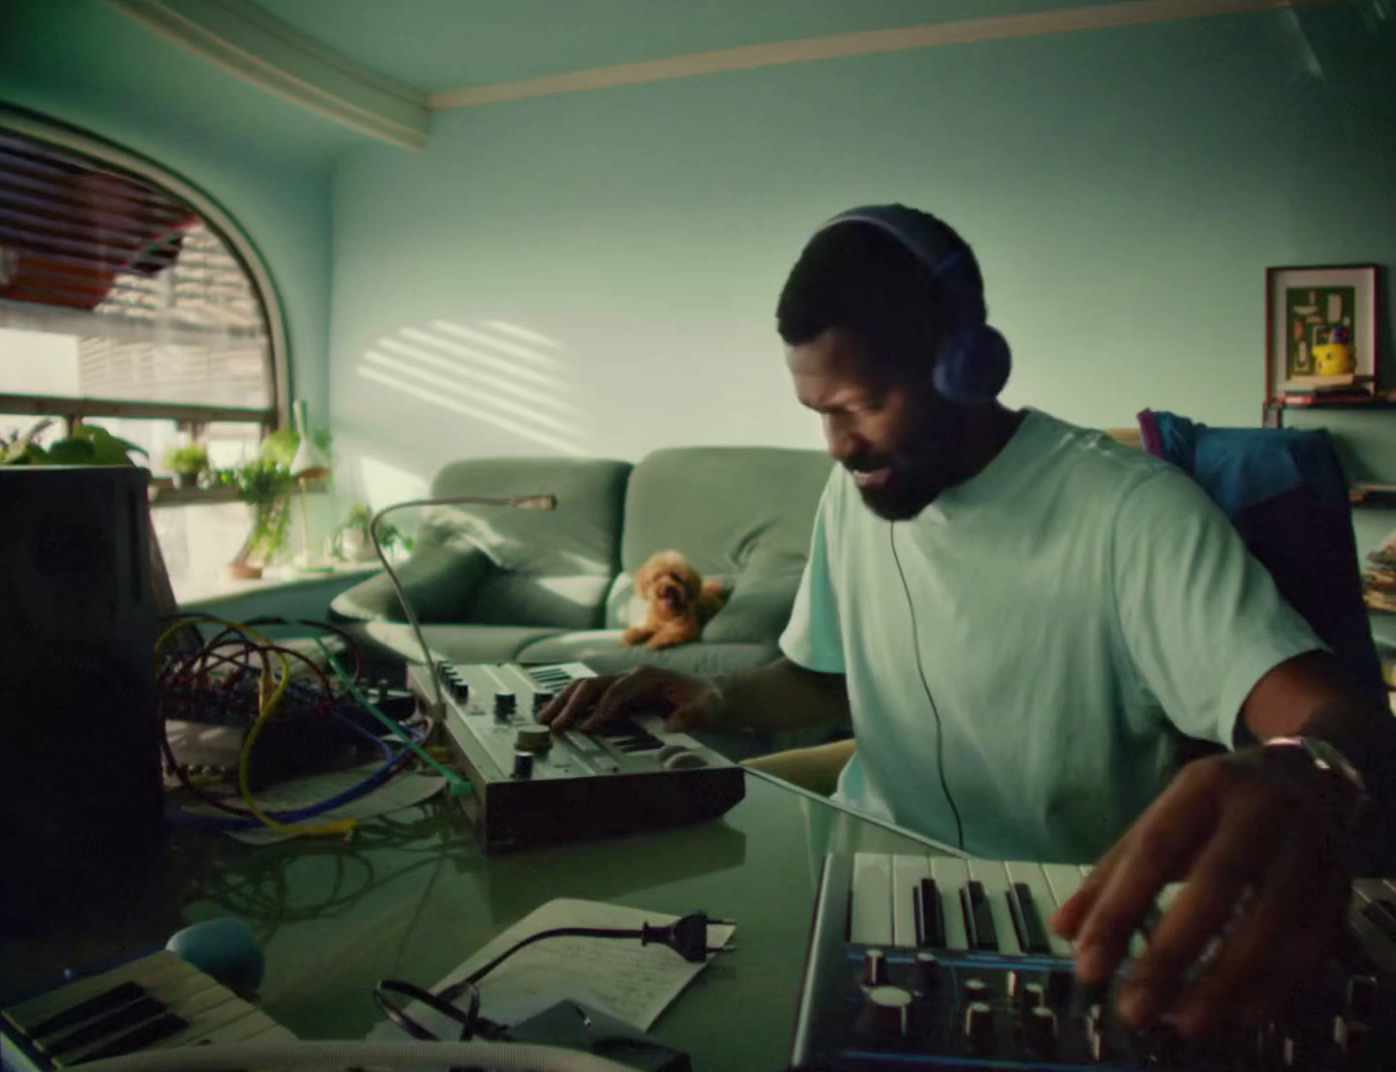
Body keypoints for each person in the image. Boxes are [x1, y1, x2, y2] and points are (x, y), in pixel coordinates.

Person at [540, 204, 1394, 1040]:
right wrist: (712, 696)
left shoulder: (1133, 513)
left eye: (863, 405)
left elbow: (1332, 716)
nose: (839, 445)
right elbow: (817, 676)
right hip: (851, 883)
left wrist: (1308, 771)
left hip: (1051, 930)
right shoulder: (853, 490)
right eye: (821, 415)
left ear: (968, 367)